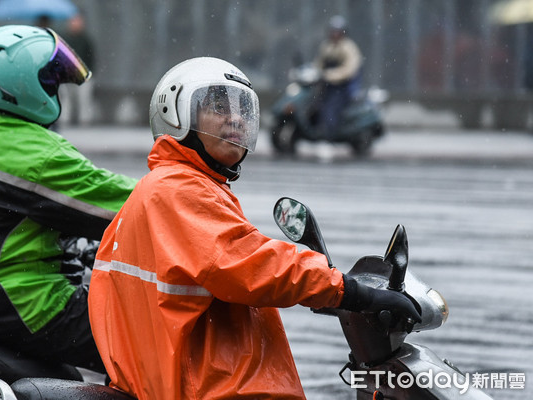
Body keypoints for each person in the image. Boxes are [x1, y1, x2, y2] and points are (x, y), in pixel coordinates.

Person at [88, 57, 420, 399]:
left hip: (189, 380)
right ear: (175, 115)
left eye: (242, 109)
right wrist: (349, 290)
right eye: (218, 106)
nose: (235, 118)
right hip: (212, 387)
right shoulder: (180, 189)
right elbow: (250, 264)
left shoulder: (170, 186)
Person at [0, 25, 138, 374]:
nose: (57, 85)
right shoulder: (37, 154)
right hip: (17, 299)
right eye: (52, 77)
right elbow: (133, 203)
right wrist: (187, 193)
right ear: (25, 85)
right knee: (147, 338)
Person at [313, 15, 363, 137]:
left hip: (342, 86)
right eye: (333, 31)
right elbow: (319, 62)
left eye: (337, 32)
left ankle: (331, 135)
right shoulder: (327, 46)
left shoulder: (349, 48)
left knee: (331, 109)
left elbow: (349, 69)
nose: (335, 34)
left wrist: (331, 75)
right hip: (326, 85)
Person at [59, 13, 95, 126]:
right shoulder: (65, 39)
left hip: (83, 75)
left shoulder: (85, 40)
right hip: (67, 75)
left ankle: (84, 120)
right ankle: (65, 119)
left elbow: (91, 58)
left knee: (83, 99)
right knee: (66, 99)